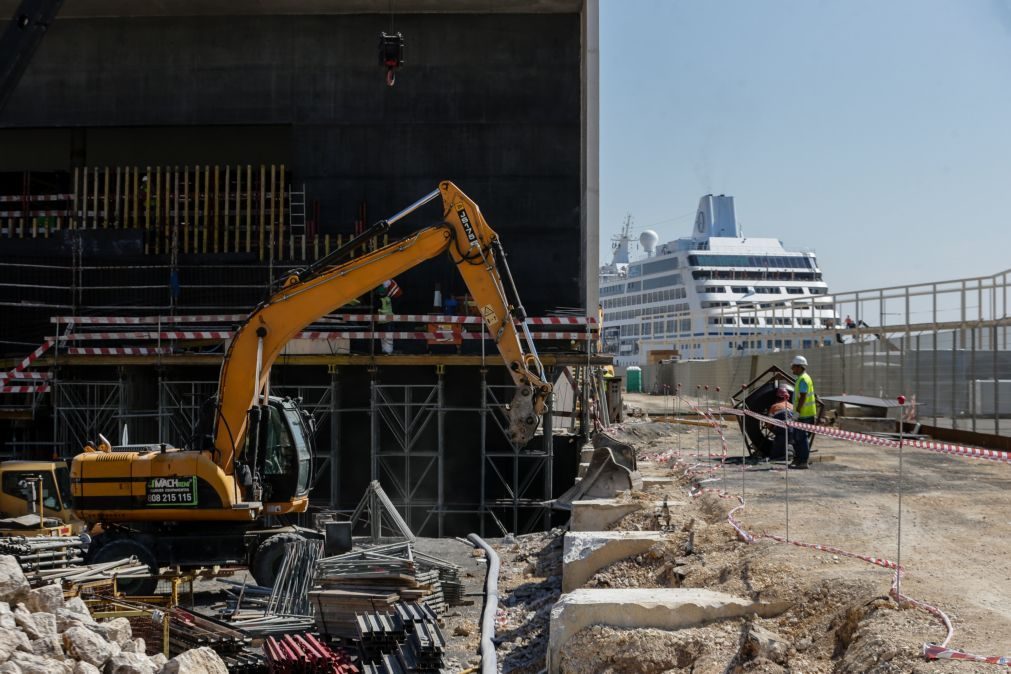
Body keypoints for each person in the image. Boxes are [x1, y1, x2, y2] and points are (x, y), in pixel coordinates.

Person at [789, 355, 817, 469]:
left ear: (800, 367)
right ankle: (798, 459)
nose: (792, 369)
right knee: (798, 437)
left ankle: (803, 461)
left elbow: (803, 397)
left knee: (801, 438)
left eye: (794, 367)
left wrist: (798, 412)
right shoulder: (802, 378)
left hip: (804, 414)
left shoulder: (803, 379)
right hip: (804, 413)